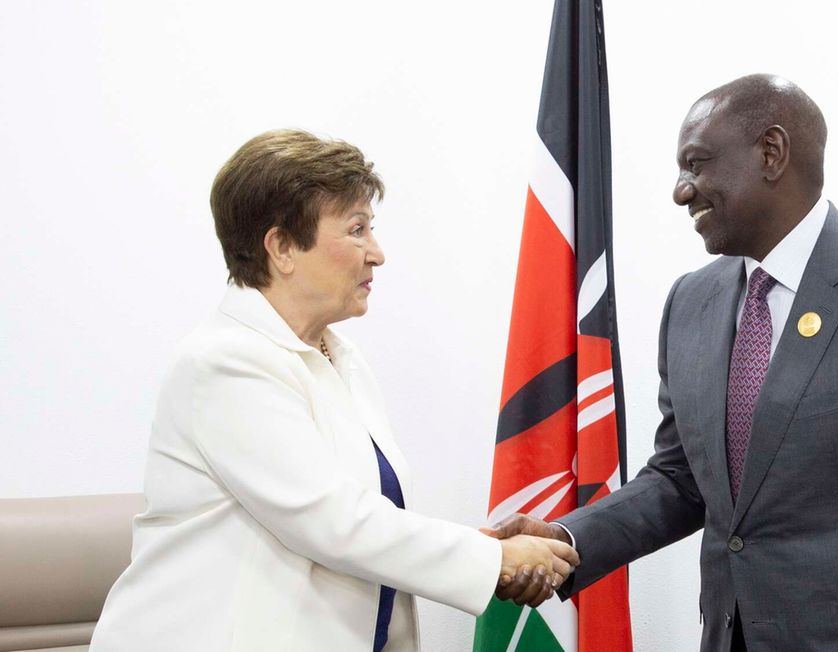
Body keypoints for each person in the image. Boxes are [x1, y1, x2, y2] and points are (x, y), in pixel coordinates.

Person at [491, 75, 838, 651]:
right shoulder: (691, 302)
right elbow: (682, 479)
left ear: (771, 153)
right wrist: (563, 538)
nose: (681, 191)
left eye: (695, 164)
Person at [90, 129, 578, 652]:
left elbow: (369, 520)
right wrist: (491, 561)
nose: (378, 253)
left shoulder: (340, 357)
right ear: (281, 247)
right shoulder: (224, 361)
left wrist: (479, 550)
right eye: (356, 229)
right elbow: (333, 521)